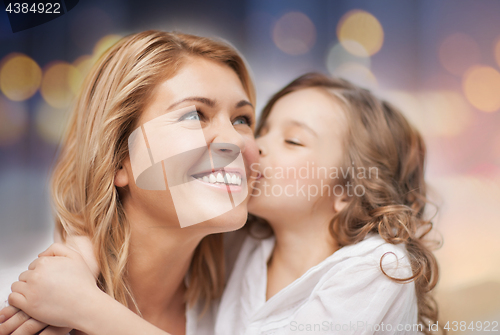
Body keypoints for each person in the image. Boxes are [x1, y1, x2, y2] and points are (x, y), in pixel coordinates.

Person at [1, 73, 443, 335]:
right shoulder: (245, 244)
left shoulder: (377, 268)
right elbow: (143, 223)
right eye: (260, 128)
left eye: (291, 140)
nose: (250, 147)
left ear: (346, 189)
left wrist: (85, 307)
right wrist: (79, 255)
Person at [0, 30, 259, 335]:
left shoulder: (251, 306)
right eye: (194, 115)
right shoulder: (18, 303)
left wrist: (87, 308)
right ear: (118, 159)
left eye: (242, 119)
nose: (235, 141)